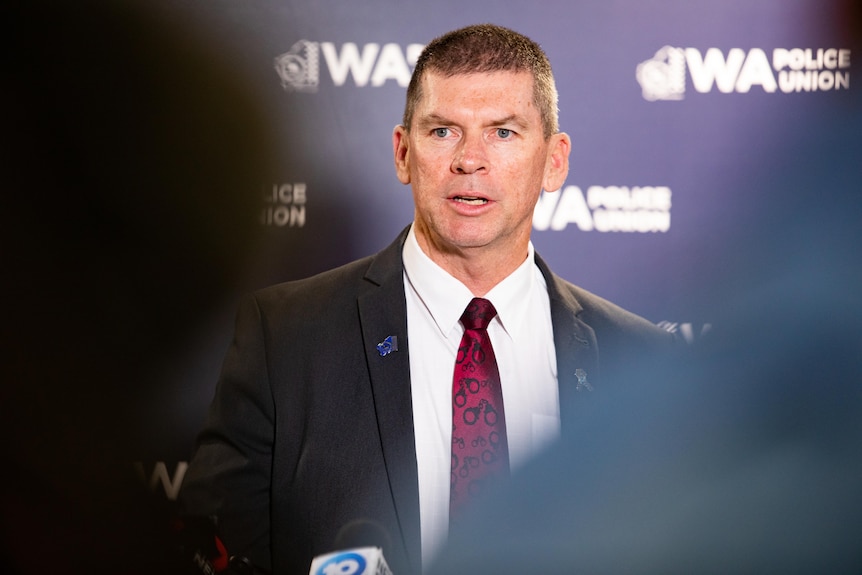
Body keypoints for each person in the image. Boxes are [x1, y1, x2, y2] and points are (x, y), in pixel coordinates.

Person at [179, 24, 674, 575]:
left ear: (554, 161)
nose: (470, 160)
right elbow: (212, 552)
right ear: (403, 152)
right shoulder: (283, 339)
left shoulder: (641, 360)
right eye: (443, 132)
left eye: (503, 133)